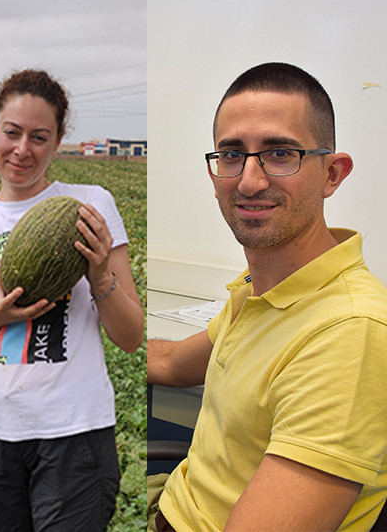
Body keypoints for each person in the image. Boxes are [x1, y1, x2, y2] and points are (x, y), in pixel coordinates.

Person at [147, 62, 387, 531]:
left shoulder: (349, 333)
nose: (249, 181)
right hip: (170, 501)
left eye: (280, 154)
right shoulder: (264, 288)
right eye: (232, 155)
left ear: (332, 174)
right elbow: (173, 363)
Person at [0, 69, 144, 531]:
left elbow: (130, 337)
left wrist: (100, 272)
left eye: (39, 137)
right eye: (12, 133)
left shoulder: (90, 207)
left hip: (75, 435)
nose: (22, 149)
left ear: (59, 139)